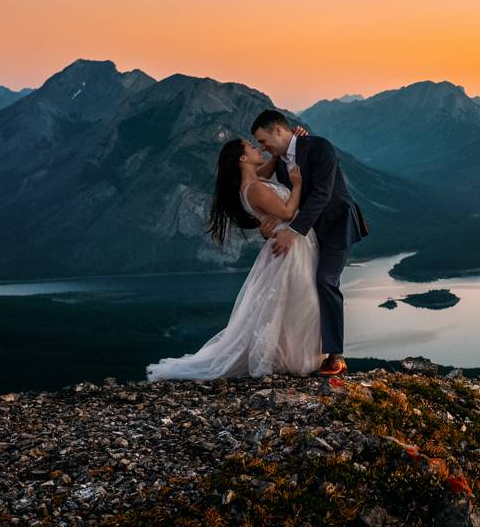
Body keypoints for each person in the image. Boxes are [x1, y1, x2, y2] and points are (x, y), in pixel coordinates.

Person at [145, 138, 324, 380]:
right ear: (242, 158)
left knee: (292, 302)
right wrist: (297, 184)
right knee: (303, 301)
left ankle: (294, 358)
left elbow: (268, 166)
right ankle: (297, 359)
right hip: (289, 247)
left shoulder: (251, 181)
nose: (257, 147)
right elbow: (288, 212)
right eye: (252, 147)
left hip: (290, 242)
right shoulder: (255, 188)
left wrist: (277, 147)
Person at [250, 109, 368, 377]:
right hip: (311, 233)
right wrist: (269, 226)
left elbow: (323, 194)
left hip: (337, 225)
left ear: (278, 131)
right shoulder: (280, 164)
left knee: (326, 280)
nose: (263, 147)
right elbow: (287, 203)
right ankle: (304, 352)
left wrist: (293, 231)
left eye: (264, 141)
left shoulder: (319, 147)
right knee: (301, 284)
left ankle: (335, 356)